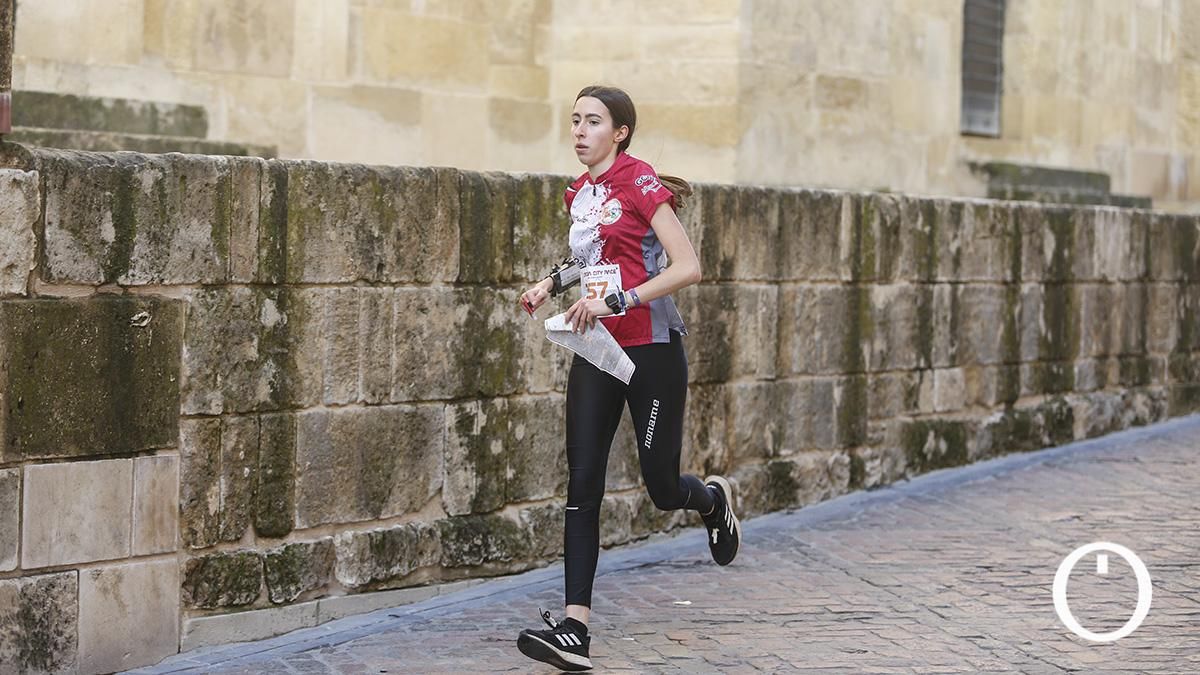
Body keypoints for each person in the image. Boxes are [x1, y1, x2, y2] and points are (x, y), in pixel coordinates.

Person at [515, 85, 741, 672]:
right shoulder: (580, 193)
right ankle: (575, 629)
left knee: (661, 488)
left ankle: (711, 501)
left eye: (593, 121)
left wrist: (622, 298)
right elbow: (591, 257)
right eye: (574, 120)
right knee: (582, 480)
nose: (580, 131)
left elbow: (688, 266)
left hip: (651, 353)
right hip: (598, 351)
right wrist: (551, 284)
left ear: (620, 132)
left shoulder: (641, 183)